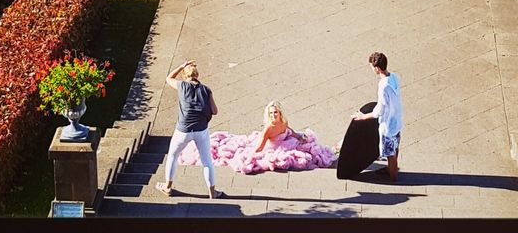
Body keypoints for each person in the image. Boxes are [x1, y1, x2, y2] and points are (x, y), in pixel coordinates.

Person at [179, 100, 338, 175]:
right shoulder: (268, 128)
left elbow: (290, 130)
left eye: (275, 112)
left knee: (311, 148)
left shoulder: (284, 121)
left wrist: (299, 136)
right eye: (270, 113)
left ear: (280, 113)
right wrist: (251, 155)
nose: (273, 115)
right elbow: (261, 146)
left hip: (285, 142)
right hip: (273, 148)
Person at [156, 60, 222, 200]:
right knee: (207, 162)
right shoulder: (206, 90)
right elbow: (215, 111)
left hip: (183, 130)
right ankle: (212, 192)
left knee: (172, 156)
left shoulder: (181, 86)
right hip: (201, 130)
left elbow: (168, 78)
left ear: (184, 75)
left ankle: (168, 187)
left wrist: (181, 66)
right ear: (197, 75)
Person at [353, 51, 402, 180]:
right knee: (395, 148)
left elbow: (380, 109)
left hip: (388, 125)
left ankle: (392, 176)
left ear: (377, 68)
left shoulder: (383, 86)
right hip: (397, 120)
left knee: (390, 154)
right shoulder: (394, 77)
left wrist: (363, 117)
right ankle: (392, 169)